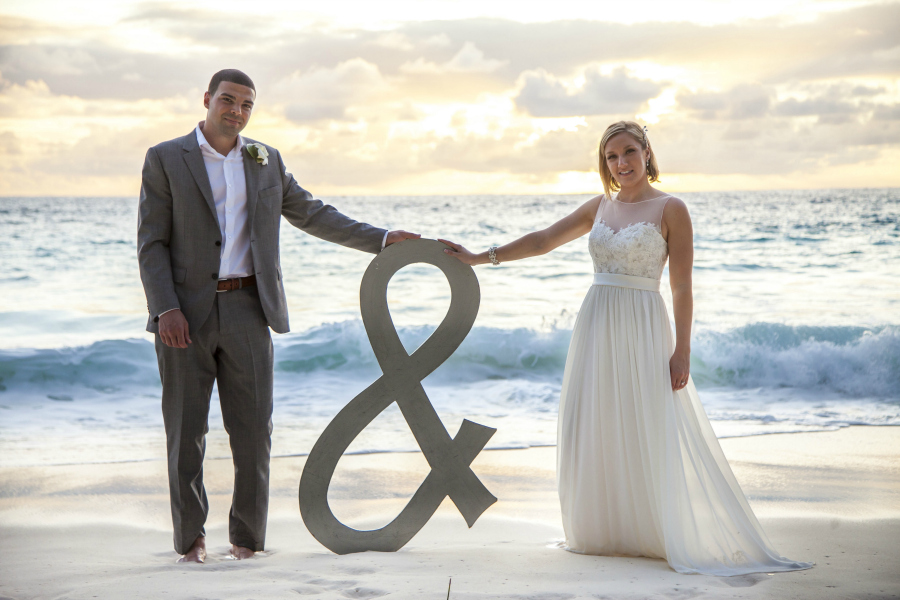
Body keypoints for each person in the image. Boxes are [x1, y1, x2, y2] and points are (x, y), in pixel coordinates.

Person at [439, 121, 812, 575]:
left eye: (629, 151)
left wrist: (683, 350)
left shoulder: (671, 208)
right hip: (596, 322)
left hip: (643, 325)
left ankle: (651, 530)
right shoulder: (600, 206)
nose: (621, 163)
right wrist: (480, 257)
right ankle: (604, 531)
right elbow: (542, 241)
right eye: (612, 156)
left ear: (648, 153)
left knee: (645, 420)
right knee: (594, 419)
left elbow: (681, 288)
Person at [137, 69, 419, 563]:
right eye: (227, 100)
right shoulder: (165, 158)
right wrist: (165, 308)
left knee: (253, 433)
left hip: (250, 307)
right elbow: (151, 243)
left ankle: (247, 542)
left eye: (246, 105)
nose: (236, 111)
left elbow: (313, 213)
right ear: (206, 99)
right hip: (185, 316)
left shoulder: (265, 160)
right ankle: (190, 542)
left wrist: (380, 239)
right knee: (186, 432)